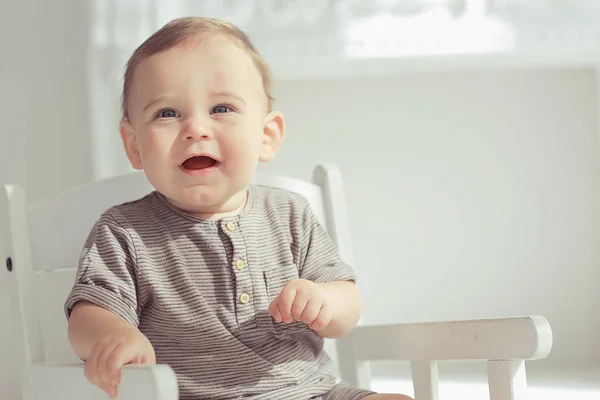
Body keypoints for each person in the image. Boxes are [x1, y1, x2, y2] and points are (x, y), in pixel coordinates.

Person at [64, 16, 413, 400]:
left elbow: (348, 306)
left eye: (222, 108)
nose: (195, 128)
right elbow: (88, 312)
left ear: (266, 136)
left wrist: (324, 300)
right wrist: (114, 335)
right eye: (167, 113)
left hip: (314, 394)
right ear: (133, 145)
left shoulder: (290, 215)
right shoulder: (125, 231)